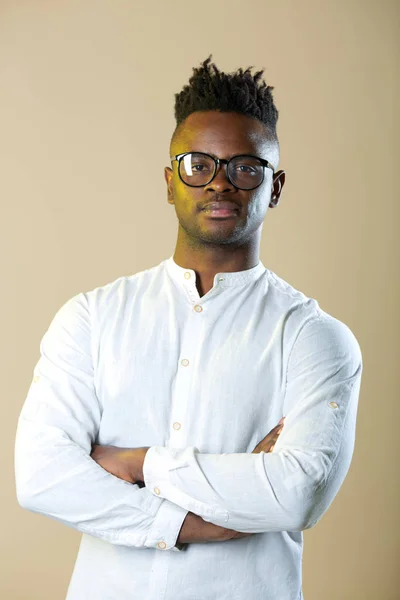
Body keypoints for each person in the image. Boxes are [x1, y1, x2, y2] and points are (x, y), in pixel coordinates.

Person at [14, 55, 363, 600]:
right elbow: (40, 477)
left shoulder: (315, 338)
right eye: (199, 164)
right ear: (170, 181)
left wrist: (136, 463)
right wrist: (197, 523)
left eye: (245, 167)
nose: (220, 184)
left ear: (274, 187)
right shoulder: (92, 317)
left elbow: (297, 494)